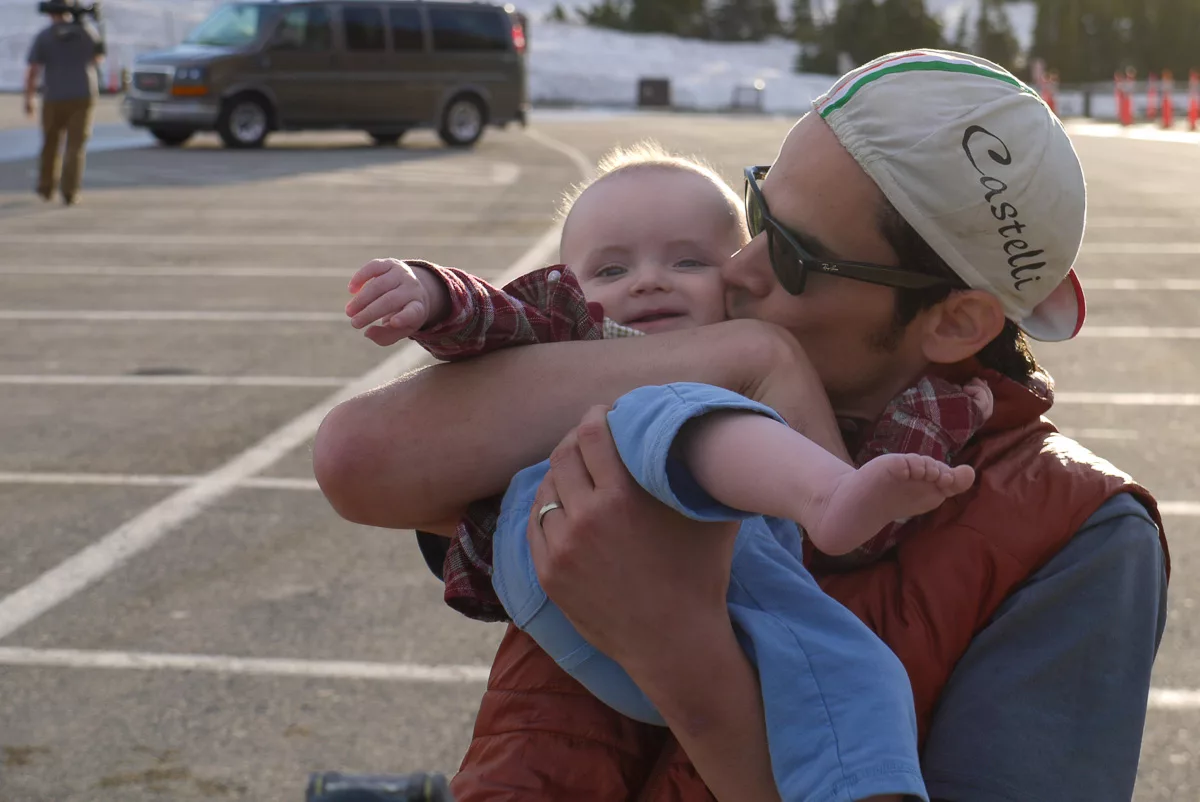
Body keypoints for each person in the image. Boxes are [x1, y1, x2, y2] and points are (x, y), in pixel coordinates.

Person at [314, 50, 1170, 802]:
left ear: (954, 322)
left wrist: (682, 656)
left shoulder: (1082, 541)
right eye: (760, 213)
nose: (739, 267)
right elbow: (358, 458)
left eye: (796, 253)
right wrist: (750, 359)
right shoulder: (697, 362)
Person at [24, 0, 105, 206]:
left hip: (53, 95)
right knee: (75, 146)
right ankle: (70, 191)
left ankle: (46, 187)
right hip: (82, 94)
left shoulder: (45, 36)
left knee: (50, 143)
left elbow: (33, 69)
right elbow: (98, 57)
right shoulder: (85, 32)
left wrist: (29, 97)